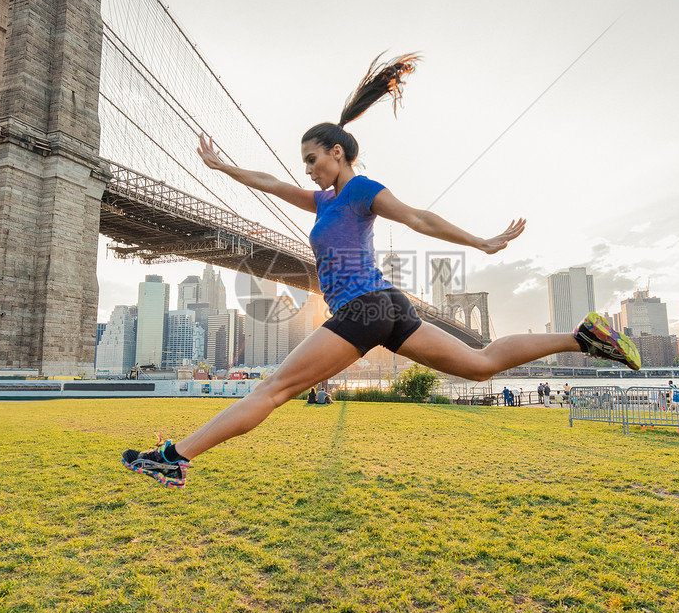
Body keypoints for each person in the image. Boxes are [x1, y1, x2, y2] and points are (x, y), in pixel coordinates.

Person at [122, 54, 641, 487]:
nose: (306, 169)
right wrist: (222, 167)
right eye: (304, 163)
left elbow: (417, 216)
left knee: (273, 390)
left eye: (312, 159)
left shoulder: (361, 189)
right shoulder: (323, 201)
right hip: (387, 308)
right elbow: (272, 184)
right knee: (481, 364)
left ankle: (173, 458)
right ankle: (583, 338)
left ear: (338, 153)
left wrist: (481, 240)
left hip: (366, 308)